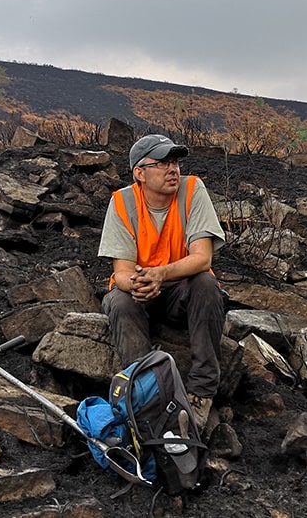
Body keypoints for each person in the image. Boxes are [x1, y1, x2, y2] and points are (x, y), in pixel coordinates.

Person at [98, 134, 226, 431]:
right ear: (139, 173)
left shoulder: (193, 190)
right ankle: (146, 395)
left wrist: (161, 274)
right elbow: (121, 273)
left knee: (206, 285)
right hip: (144, 292)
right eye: (162, 163)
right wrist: (141, 284)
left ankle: (201, 394)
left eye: (175, 162)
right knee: (118, 299)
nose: (173, 169)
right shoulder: (122, 202)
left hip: (180, 291)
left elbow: (202, 258)